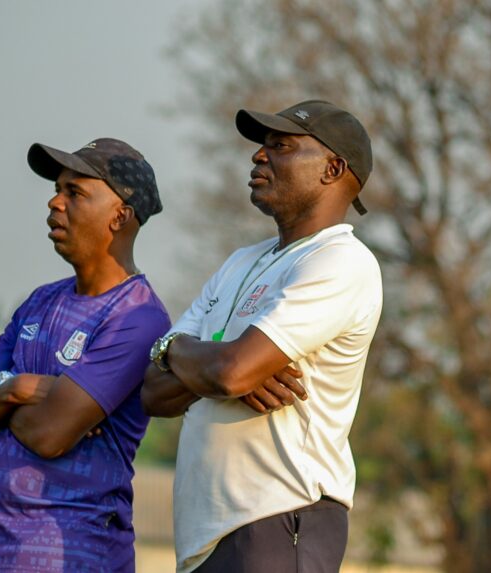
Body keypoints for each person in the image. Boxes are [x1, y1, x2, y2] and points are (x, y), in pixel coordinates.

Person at [142, 100, 383, 573]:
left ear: (333, 168)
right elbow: (152, 391)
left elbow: (231, 372)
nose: (259, 156)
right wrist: (193, 357)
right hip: (208, 540)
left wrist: (211, 365)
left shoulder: (340, 261)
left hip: (278, 522)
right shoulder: (240, 263)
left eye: (282, 146)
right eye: (262, 146)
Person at [0, 138, 171, 572]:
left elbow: (50, 435)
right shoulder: (39, 301)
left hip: (72, 554)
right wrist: (22, 388)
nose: (55, 202)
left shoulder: (139, 317)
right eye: (57, 189)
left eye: (75, 193)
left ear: (120, 216)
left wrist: (0, 396)